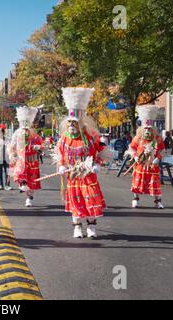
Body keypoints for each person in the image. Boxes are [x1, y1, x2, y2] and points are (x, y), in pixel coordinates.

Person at [55, 87, 110, 239]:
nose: (72, 126)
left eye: (75, 123)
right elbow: (60, 153)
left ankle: (91, 227)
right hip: (73, 176)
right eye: (70, 123)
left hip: (88, 175)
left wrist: (97, 163)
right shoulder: (64, 139)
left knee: (91, 198)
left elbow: (102, 149)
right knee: (75, 200)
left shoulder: (91, 137)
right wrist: (61, 165)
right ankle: (77, 227)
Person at [129, 105, 166, 209]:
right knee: (138, 181)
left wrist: (157, 158)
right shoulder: (138, 138)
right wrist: (135, 156)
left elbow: (163, 150)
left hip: (153, 165)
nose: (147, 130)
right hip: (141, 165)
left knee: (154, 183)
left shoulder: (157, 138)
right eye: (146, 128)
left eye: (149, 128)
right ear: (142, 128)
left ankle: (157, 201)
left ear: (153, 127)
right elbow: (131, 148)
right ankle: (135, 200)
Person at [9, 107, 44, 208]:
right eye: (23, 123)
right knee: (21, 176)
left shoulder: (34, 134)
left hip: (32, 161)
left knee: (32, 182)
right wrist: (12, 154)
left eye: (27, 123)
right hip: (21, 160)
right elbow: (12, 144)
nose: (25, 127)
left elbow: (41, 146)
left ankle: (29, 198)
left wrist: (38, 147)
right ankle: (22, 184)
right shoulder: (17, 133)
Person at [0, 124, 12, 191]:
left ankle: (7, 185)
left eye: (3, 131)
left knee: (8, 173)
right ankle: (0, 185)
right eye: (0, 131)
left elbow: (11, 149)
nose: (1, 132)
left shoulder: (8, 139)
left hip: (7, 159)